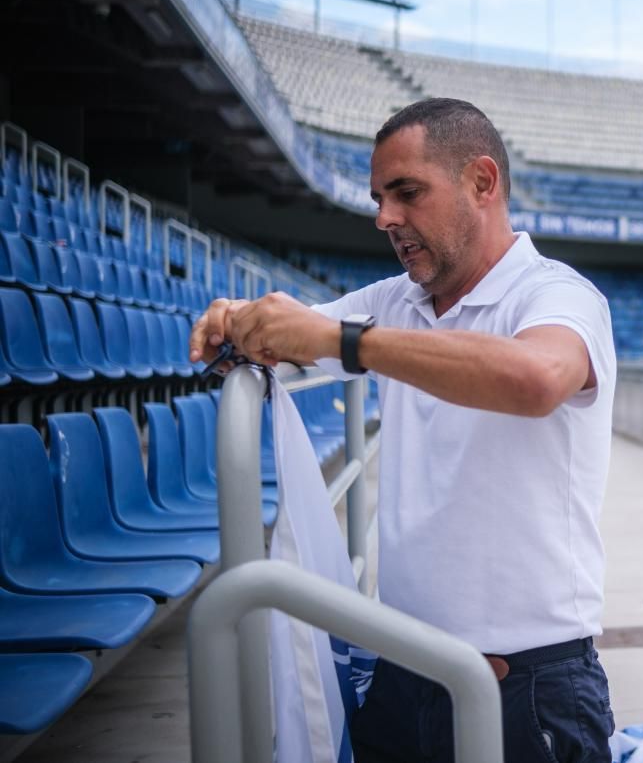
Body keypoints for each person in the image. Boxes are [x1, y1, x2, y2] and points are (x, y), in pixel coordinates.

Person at [189, 98, 617, 762]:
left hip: (526, 687)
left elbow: (536, 379)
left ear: (482, 182)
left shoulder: (557, 295)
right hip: (405, 667)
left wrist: (346, 342)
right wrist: (238, 318)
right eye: (379, 198)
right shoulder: (396, 301)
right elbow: (295, 329)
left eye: (407, 192)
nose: (385, 217)